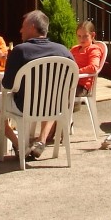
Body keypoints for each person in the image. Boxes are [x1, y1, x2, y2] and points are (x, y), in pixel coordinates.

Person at [0, 10, 73, 160]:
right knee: (52, 98)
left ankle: (18, 144)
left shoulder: (20, 51)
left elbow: (8, 85)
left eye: (23, 26)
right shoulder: (63, 51)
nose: (20, 30)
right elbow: (70, 83)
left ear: (32, 27)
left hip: (24, 106)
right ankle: (41, 140)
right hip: (54, 106)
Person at [29, 20, 104, 158]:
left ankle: (47, 135)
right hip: (68, 83)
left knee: (55, 97)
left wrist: (75, 71)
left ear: (93, 35)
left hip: (82, 86)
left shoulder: (94, 49)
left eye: (85, 36)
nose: (82, 39)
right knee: (46, 94)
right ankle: (49, 131)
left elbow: (94, 67)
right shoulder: (74, 49)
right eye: (79, 36)